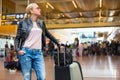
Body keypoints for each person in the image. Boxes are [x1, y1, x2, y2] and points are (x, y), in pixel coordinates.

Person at [15, 3, 59, 80]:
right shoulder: (23, 23)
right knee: (27, 77)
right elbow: (17, 38)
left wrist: (57, 42)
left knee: (42, 77)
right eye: (37, 8)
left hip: (38, 53)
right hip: (26, 52)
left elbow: (47, 34)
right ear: (31, 11)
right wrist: (18, 50)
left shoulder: (41, 23)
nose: (40, 9)